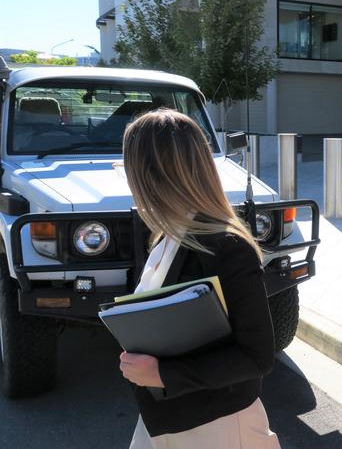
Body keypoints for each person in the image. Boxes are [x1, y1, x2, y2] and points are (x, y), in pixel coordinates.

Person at [119, 109, 279, 448]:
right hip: (168, 421)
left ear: (152, 174)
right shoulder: (167, 235)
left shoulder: (227, 246)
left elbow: (257, 355)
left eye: (130, 170)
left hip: (217, 427)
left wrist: (163, 375)